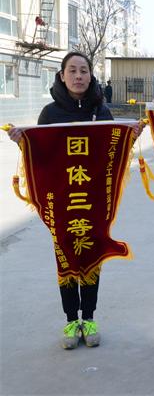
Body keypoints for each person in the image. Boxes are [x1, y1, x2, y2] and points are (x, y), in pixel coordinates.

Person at [8, 52, 118, 350]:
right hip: (63, 201)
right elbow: (42, 157)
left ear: (91, 76)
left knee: (92, 256)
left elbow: (111, 154)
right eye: (72, 70)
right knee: (66, 256)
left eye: (84, 71)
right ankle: (71, 320)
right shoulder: (50, 114)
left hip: (93, 200)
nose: (78, 76)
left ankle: (89, 318)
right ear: (62, 75)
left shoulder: (101, 111)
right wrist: (23, 141)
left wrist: (130, 136)